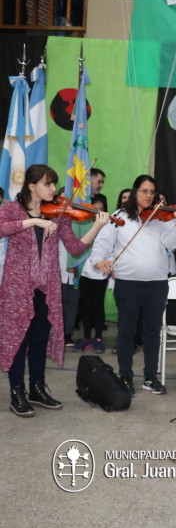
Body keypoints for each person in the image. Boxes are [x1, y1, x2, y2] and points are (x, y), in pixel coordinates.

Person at [0, 165, 109, 417]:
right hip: (19, 288)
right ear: (31, 186)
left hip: (46, 287)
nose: (52, 189)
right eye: (48, 184)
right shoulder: (12, 210)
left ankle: (37, 388)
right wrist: (35, 221)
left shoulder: (57, 214)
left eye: (53, 184)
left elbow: (74, 248)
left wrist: (96, 227)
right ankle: (17, 392)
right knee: (19, 339)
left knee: (39, 338)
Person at [90, 175, 176, 396]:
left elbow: (170, 245)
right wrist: (99, 260)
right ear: (135, 192)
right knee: (127, 330)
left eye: (152, 192)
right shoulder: (119, 217)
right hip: (127, 283)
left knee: (152, 332)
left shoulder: (160, 217)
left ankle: (150, 378)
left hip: (157, 284)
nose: (148, 196)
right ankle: (125, 376)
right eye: (144, 191)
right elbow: (102, 243)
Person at [76, 193, 111, 354]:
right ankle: (86, 337)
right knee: (86, 305)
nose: (97, 213)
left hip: (100, 271)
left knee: (98, 305)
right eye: (94, 209)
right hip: (86, 271)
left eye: (100, 210)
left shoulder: (109, 226)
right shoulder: (85, 223)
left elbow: (110, 248)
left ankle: (98, 338)